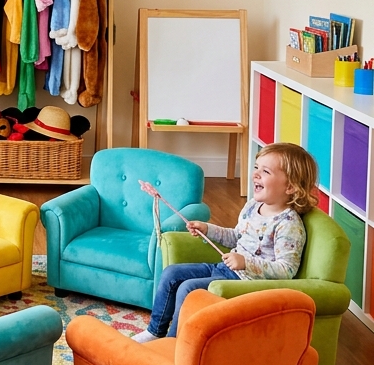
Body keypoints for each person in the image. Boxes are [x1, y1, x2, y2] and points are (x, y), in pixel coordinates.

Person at [132, 142, 315, 342]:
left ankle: (174, 342)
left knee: (188, 288)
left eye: (265, 171)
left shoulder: (288, 225)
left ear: (289, 186)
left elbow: (286, 270)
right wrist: (207, 229)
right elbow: (236, 236)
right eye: (256, 168)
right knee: (172, 273)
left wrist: (245, 263)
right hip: (225, 269)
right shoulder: (253, 206)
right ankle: (154, 331)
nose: (255, 175)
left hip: (245, 283)